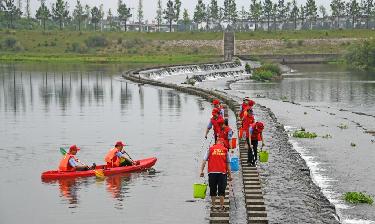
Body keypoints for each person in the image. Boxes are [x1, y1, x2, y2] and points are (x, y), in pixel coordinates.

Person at [199, 138, 232, 212]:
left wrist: (201, 171)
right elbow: (228, 164)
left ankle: (213, 206)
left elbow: (204, 160)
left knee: (213, 189)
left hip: (212, 173)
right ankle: (221, 206)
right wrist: (230, 175)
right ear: (223, 143)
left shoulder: (210, 149)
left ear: (216, 142)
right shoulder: (225, 150)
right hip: (222, 173)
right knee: (221, 190)